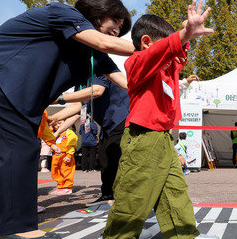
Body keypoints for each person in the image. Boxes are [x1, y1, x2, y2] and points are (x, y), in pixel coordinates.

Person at [0, 0, 134, 239]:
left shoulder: (92, 53)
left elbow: (125, 82)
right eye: (116, 22)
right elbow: (105, 42)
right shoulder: (62, 12)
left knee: (16, 149)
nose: (118, 30)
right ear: (98, 11)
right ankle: (16, 226)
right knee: (20, 147)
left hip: (14, 93)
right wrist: (161, 46)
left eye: (122, 27)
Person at [99, 2, 220, 239]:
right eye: (164, 46)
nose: (171, 57)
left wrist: (186, 34)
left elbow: (175, 58)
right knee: (135, 189)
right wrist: (182, 36)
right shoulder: (137, 63)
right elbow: (162, 53)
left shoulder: (166, 70)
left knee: (174, 188)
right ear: (146, 42)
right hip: (142, 135)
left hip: (162, 137)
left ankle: (185, 236)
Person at [50, 67, 199, 208]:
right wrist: (53, 120)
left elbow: (97, 91)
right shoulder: (80, 81)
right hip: (108, 124)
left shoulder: (96, 67)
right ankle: (108, 195)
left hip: (124, 118)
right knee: (104, 157)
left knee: (117, 156)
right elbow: (78, 107)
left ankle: (134, 197)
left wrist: (59, 98)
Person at [50, 122, 78, 195]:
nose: (57, 125)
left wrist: (69, 155)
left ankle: (67, 187)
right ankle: (60, 186)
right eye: (55, 125)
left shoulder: (69, 133)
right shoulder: (56, 134)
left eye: (60, 123)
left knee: (66, 171)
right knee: (55, 171)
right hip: (56, 156)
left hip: (65, 154)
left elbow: (72, 144)